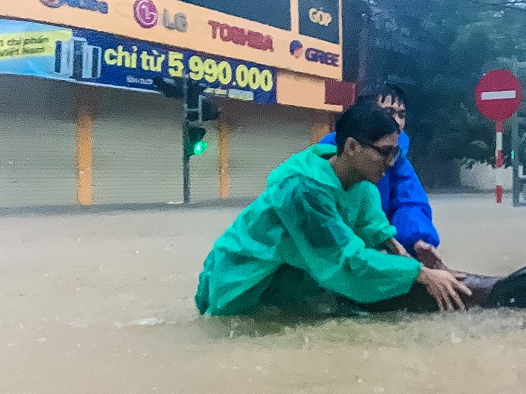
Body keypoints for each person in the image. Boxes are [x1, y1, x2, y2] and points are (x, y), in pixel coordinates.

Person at [194, 103, 471, 316]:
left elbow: (375, 230)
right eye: (384, 152)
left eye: (395, 153)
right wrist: (419, 274)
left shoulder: (363, 186)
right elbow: (346, 261)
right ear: (351, 146)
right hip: (241, 288)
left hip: (286, 286)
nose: (390, 162)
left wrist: (415, 256)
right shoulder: (303, 191)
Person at [318, 84, 444, 267]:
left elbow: (409, 202)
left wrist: (417, 239)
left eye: (402, 115)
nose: (397, 121)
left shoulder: (399, 160)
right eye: (388, 112)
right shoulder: (325, 162)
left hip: (367, 255)